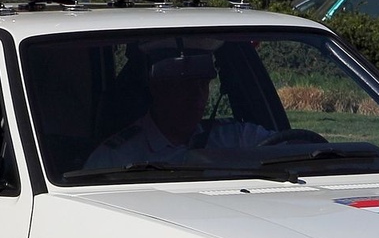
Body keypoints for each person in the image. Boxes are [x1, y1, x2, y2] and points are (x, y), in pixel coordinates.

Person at [84, 46, 271, 169]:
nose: (197, 95)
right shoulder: (115, 158)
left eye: (203, 84)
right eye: (186, 85)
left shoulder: (237, 138)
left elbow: (284, 148)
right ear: (158, 88)